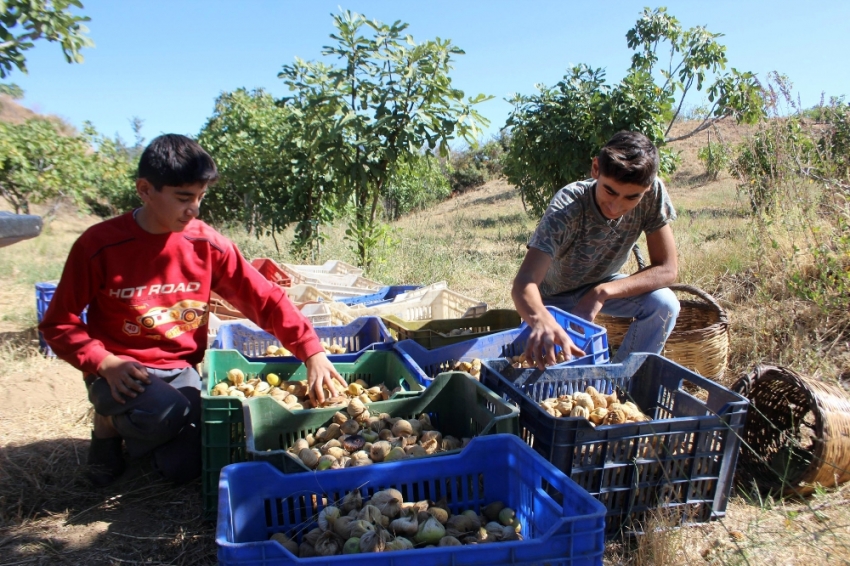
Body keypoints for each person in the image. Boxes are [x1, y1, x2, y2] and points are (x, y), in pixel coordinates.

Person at [39, 134, 345, 487]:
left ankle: (145, 430)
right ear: (145, 190)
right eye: (184, 198)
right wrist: (103, 362)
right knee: (165, 413)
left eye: (200, 198)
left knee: (185, 467)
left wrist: (312, 351)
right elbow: (58, 322)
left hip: (178, 367)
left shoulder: (206, 245)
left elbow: (264, 298)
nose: (195, 209)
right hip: (119, 369)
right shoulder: (99, 245)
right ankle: (106, 427)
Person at [512, 131, 680, 368]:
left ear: (648, 187)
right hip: (552, 298)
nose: (615, 206)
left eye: (631, 197)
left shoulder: (653, 193)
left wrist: (601, 292)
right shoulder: (568, 206)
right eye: (609, 191)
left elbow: (667, 268)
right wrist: (542, 319)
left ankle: (620, 380)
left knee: (665, 305)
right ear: (595, 168)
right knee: (541, 364)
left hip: (604, 282)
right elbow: (524, 283)